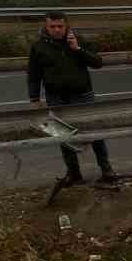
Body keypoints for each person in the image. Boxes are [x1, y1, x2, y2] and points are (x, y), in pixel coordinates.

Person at [27, 11, 116, 187]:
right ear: (46, 26)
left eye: (60, 26)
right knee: (63, 137)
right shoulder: (38, 47)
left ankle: (107, 170)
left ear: (66, 25)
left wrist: (78, 49)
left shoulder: (77, 40)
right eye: (52, 26)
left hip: (83, 95)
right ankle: (74, 173)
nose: (57, 30)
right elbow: (34, 75)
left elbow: (97, 63)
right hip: (56, 98)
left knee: (94, 133)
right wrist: (34, 99)